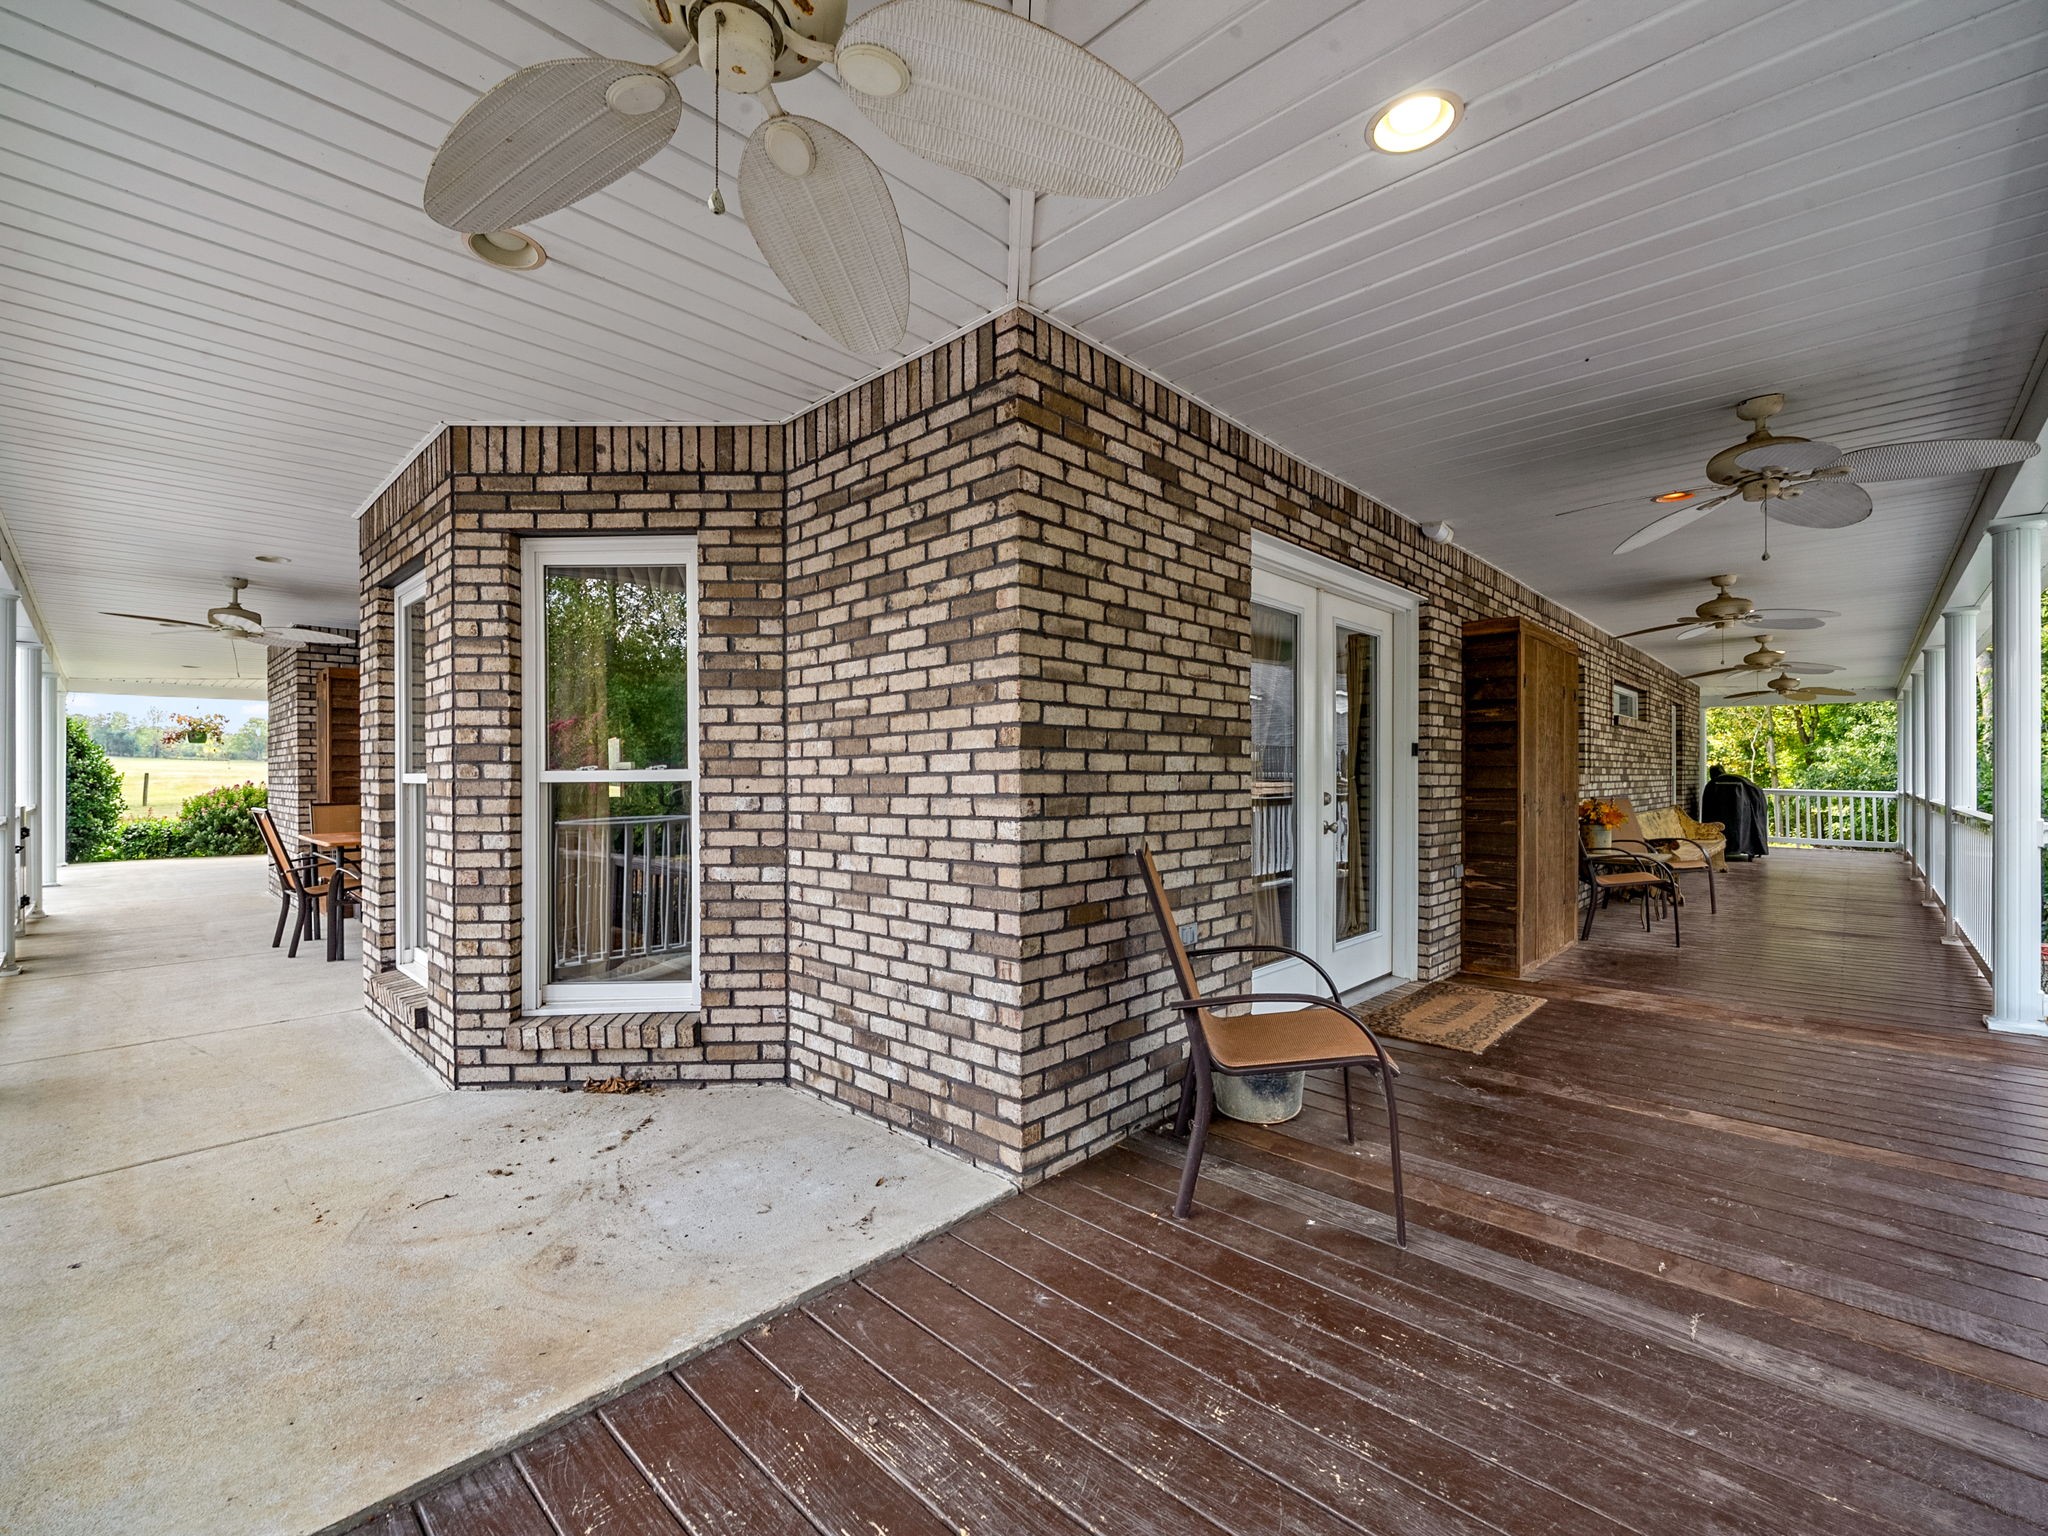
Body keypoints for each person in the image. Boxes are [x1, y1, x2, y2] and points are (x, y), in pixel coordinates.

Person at [1702, 764, 1769, 860]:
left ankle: (1722, 848)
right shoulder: (1738, 779)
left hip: (1720, 816)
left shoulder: (1712, 785)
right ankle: (1750, 850)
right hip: (1744, 811)